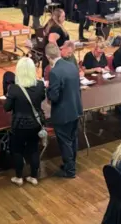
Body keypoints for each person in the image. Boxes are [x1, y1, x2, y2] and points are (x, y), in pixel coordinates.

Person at [4, 57, 45, 186]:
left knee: (17, 150)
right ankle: (33, 176)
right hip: (35, 124)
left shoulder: (14, 89)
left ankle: (19, 177)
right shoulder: (40, 85)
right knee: (33, 149)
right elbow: (41, 99)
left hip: (19, 125)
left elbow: (7, 108)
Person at [46, 43, 83, 178]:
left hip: (63, 113)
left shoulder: (55, 72)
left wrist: (48, 91)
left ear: (48, 57)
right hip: (75, 109)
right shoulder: (72, 65)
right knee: (73, 139)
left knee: (65, 141)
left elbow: (54, 96)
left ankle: (70, 170)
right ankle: (71, 164)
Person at [42, 9, 70, 74]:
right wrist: (58, 53)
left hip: (47, 57)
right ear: (58, 18)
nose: (64, 18)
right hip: (54, 60)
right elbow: (51, 40)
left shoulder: (49, 24)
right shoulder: (56, 28)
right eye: (63, 16)